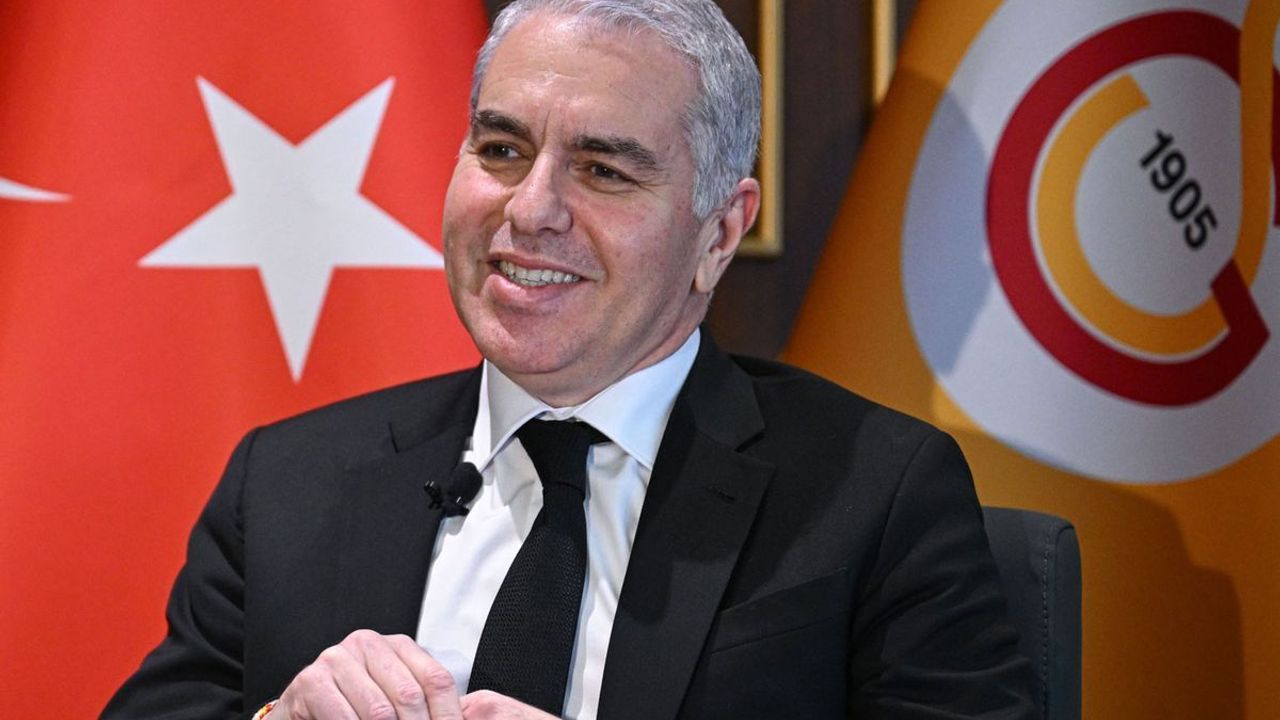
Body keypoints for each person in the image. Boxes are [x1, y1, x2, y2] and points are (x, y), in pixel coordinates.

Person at [104, 1, 1036, 718]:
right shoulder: (289, 482)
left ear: (719, 233)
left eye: (604, 170)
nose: (530, 210)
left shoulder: (872, 494)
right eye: (502, 149)